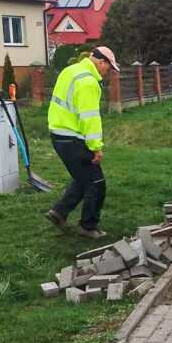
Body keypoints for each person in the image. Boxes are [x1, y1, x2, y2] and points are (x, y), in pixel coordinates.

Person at [45, 46, 120, 240]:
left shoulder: (70, 71)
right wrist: (96, 147)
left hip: (58, 134)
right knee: (96, 182)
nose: (108, 72)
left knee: (83, 178)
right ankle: (88, 226)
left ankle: (59, 212)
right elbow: (90, 118)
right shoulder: (88, 81)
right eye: (109, 67)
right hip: (72, 137)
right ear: (101, 61)